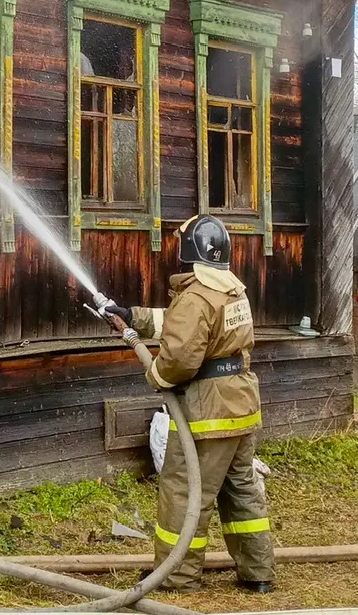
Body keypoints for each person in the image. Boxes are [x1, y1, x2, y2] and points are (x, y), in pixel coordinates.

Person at [105, 215, 274, 593]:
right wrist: (132, 317)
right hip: (240, 405)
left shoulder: (197, 296)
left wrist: (157, 377)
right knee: (240, 488)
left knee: (184, 491)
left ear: (189, 251)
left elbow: (180, 357)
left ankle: (177, 575)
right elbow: (184, 323)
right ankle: (258, 572)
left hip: (207, 412)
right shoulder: (230, 290)